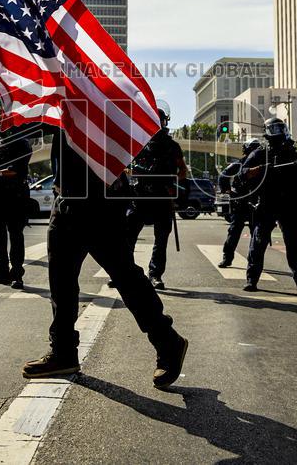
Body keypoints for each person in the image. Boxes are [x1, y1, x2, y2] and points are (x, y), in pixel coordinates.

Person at [21, 127, 188, 388]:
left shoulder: (102, 99)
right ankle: (63, 352)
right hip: (65, 200)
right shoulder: (60, 97)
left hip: (99, 202)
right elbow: (30, 123)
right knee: (61, 282)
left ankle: (168, 342)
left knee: (125, 277)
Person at [236, 117, 297, 294]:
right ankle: (252, 280)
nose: (279, 132)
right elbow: (241, 174)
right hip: (268, 204)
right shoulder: (260, 153)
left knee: (293, 245)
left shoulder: (292, 153)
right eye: (275, 129)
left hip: (289, 205)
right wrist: (260, 169)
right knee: (258, 243)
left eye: (280, 128)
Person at [130, 107, 187, 290]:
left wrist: (173, 184)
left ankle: (155, 275)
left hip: (162, 197)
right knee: (128, 236)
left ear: (164, 122)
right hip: (141, 196)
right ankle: (123, 272)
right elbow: (127, 167)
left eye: (159, 121)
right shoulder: (139, 143)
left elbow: (183, 171)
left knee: (161, 240)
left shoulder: (172, 146)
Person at [0, 117, 32, 290]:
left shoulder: (22, 143)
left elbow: (19, 169)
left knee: (16, 235)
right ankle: (1, 270)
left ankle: (17, 273)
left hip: (15, 196)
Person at [217, 139, 260, 268]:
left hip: (255, 202)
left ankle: (254, 261)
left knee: (256, 234)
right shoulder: (239, 165)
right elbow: (223, 175)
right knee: (234, 231)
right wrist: (228, 191)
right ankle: (227, 258)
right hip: (240, 201)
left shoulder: (262, 166)